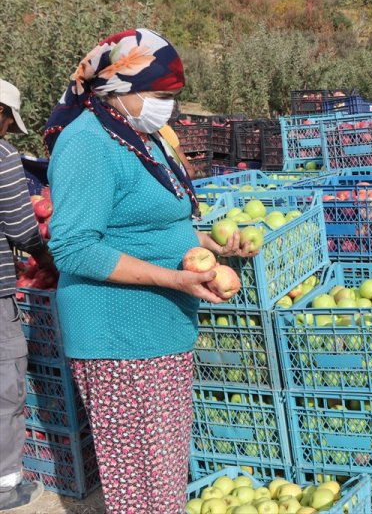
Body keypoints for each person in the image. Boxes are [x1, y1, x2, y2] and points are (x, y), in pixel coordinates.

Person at [43, 29, 258, 513]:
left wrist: (213, 243)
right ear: (120, 88)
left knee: (161, 477)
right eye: (161, 96)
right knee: (141, 483)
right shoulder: (87, 145)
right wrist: (176, 279)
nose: (170, 108)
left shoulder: (140, 137)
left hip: (159, 330)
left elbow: (154, 222)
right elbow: (74, 248)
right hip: (121, 337)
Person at [0, 79, 51, 510]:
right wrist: (45, 258)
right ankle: (5, 487)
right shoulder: (1, 157)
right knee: (5, 385)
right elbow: (21, 228)